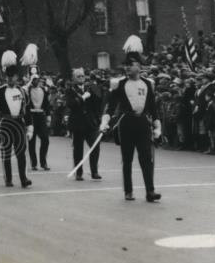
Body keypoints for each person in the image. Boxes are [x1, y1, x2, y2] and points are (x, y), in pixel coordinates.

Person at [101, 52, 162, 202]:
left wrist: (157, 127)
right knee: (127, 159)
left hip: (142, 124)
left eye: (131, 64)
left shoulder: (147, 84)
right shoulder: (120, 84)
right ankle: (128, 190)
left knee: (146, 158)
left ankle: (150, 191)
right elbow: (111, 106)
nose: (127, 67)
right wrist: (104, 122)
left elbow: (153, 109)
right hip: (126, 123)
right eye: (126, 65)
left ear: (139, 66)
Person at [0, 65, 33, 187]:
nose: (11, 79)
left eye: (13, 77)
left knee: (21, 152)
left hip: (19, 123)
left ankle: (24, 178)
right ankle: (8, 178)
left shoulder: (22, 91)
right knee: (6, 152)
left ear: (17, 77)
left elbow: (26, 110)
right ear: (6, 78)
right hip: (5, 124)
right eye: (8, 77)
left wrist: (30, 127)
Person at [65, 67, 104, 181]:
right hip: (77, 123)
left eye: (82, 76)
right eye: (78, 76)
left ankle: (94, 171)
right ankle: (79, 172)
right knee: (78, 149)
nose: (81, 78)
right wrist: (82, 98)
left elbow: (98, 101)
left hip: (90, 122)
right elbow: (71, 104)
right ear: (73, 78)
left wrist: (96, 88)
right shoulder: (70, 90)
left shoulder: (89, 87)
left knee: (95, 146)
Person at [26, 73, 51, 171]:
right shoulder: (27, 91)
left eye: (37, 79)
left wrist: (48, 115)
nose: (36, 81)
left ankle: (43, 162)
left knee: (45, 139)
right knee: (32, 141)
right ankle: (34, 163)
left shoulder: (43, 90)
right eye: (34, 80)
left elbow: (46, 104)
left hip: (41, 116)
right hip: (32, 117)